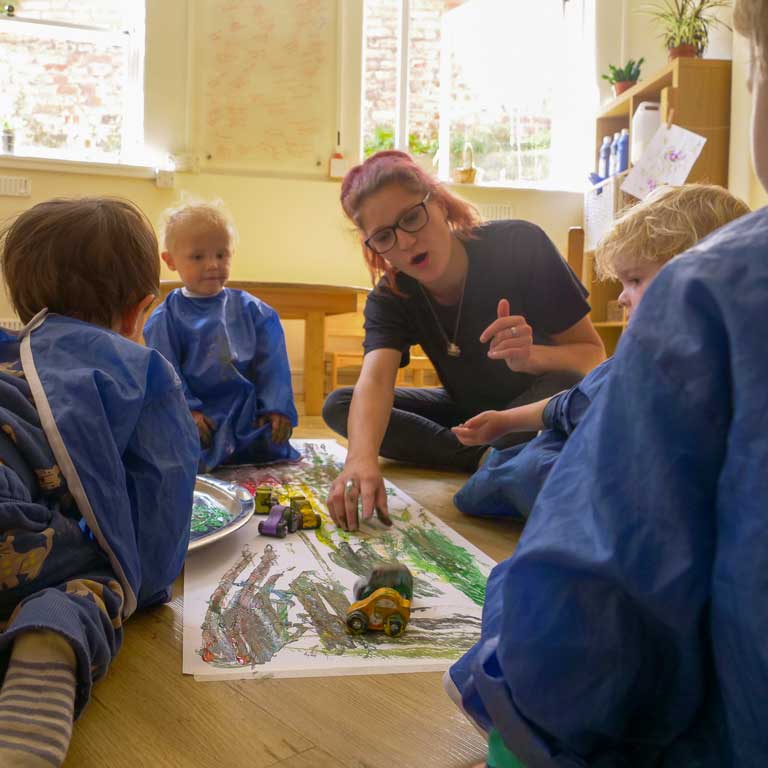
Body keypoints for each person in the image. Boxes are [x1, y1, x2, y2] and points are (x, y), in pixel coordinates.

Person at [446, 1, 768, 765]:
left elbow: (591, 617)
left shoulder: (713, 291)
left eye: (757, 67)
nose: (622, 298)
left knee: (522, 476)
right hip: (555, 426)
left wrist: (502, 688)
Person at [0, 197, 199, 767]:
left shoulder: (13, 352)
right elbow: (160, 505)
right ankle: (49, 645)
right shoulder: (141, 368)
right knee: (101, 579)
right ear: (140, 312)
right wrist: (145, 584)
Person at [324, 151, 605, 530]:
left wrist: (533, 356)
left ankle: (490, 452)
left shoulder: (519, 244)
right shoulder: (391, 296)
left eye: (411, 218)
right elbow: (375, 380)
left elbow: (593, 357)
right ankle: (483, 457)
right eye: (384, 237)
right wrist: (359, 458)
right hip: (467, 411)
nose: (406, 242)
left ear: (438, 203)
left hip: (531, 407)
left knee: (568, 386)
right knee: (343, 403)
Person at [451, 184, 750, 521]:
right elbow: (572, 403)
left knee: (530, 468)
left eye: (635, 280)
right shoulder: (643, 357)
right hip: (595, 470)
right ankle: (495, 461)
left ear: (699, 277)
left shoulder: (728, 360)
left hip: (655, 499)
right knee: (522, 467)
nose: (622, 298)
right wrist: (505, 421)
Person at [143, 199, 299, 472]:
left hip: (247, 412)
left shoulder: (255, 310)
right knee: (177, 445)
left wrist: (275, 407)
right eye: (198, 257)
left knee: (270, 439)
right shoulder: (165, 317)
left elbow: (272, 365)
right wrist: (188, 410)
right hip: (203, 415)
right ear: (170, 260)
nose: (213, 265)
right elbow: (166, 373)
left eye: (221, 254)